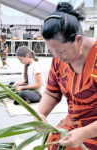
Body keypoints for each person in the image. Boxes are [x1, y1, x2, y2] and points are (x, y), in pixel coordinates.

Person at [36, 2, 97, 150]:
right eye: (52, 51)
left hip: (93, 128)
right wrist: (40, 114)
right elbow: (52, 92)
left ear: (79, 40)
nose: (57, 56)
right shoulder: (59, 59)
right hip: (74, 124)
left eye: (61, 51)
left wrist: (85, 133)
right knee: (54, 144)